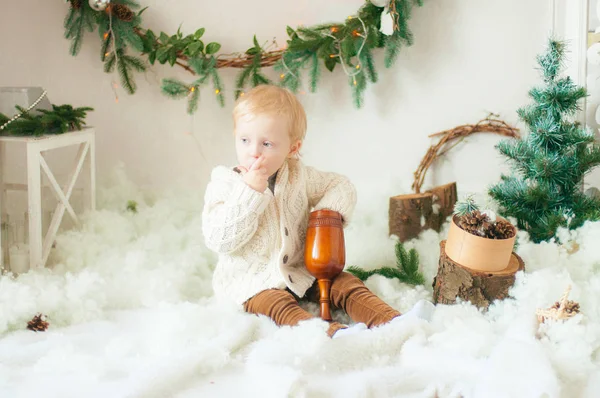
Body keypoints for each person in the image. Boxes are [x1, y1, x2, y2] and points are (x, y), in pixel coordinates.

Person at [202, 85, 434, 338]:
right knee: (279, 307)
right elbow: (219, 240)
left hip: (303, 271)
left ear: (292, 148)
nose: (253, 151)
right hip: (251, 283)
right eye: (244, 140)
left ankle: (394, 321)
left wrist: (323, 221)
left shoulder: (299, 176)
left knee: (346, 284)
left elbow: (340, 186)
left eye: (266, 143)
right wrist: (249, 194)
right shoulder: (224, 183)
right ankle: (330, 334)